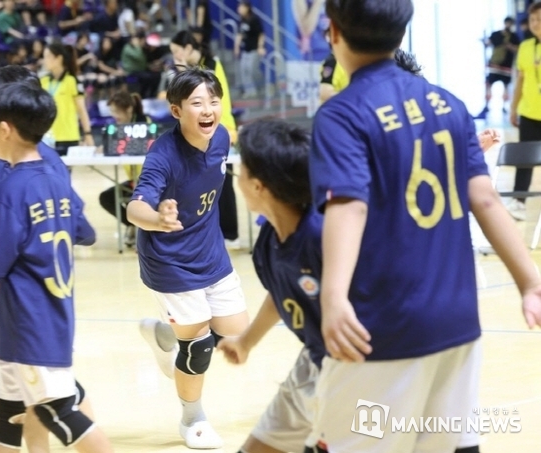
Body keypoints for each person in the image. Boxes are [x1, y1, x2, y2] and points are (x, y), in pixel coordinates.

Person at [310, 1, 541, 452]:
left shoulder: (342, 114)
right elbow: (485, 198)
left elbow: (349, 208)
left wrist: (333, 298)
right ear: (403, 32)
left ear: (334, 32)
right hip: (457, 320)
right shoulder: (449, 104)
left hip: (383, 321)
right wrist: (530, 282)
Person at [0, 65, 97, 453]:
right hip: (17, 305)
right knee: (10, 409)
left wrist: (8, 250)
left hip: (28, 306)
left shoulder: (37, 171)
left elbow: (74, 228)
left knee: (54, 404)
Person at [127, 67, 249, 450]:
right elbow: (134, 208)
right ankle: (192, 418)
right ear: (177, 111)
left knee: (234, 330)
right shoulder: (163, 155)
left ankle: (165, 335)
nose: (208, 109)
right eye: (197, 103)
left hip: (210, 252)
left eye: (214, 101)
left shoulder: (221, 137)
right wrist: (158, 220)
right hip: (170, 261)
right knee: (198, 347)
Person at [217, 119, 324, 453]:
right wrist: (246, 341)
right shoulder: (269, 240)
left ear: (258, 186)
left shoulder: (323, 237)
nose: (237, 177)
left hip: (356, 373)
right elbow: (283, 292)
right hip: (314, 360)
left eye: (242, 170)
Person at [170, 30, 240, 249]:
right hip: (203, 129)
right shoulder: (194, 67)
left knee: (224, 183)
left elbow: (198, 92)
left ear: (188, 48)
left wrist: (181, 70)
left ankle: (231, 234)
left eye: (176, 51)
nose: (174, 56)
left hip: (221, 129)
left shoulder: (209, 65)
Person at [98, 91, 147, 248]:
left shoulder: (145, 124)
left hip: (151, 182)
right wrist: (105, 146)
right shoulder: (118, 127)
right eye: (112, 111)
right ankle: (132, 224)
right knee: (106, 197)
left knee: (141, 199)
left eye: (117, 111)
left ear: (129, 109)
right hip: (133, 181)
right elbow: (114, 146)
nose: (114, 115)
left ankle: (145, 233)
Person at [508, 3, 541, 222]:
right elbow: (520, 80)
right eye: (533, 20)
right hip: (529, 113)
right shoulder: (526, 46)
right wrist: (514, 107)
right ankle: (518, 201)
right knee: (525, 160)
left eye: (540, 19)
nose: (536, 24)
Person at [40, 41, 94, 156]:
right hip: (46, 139)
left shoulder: (72, 81)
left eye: (47, 56)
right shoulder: (43, 81)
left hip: (68, 138)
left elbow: (82, 110)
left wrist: (88, 134)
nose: (44, 60)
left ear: (58, 58)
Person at [476, 16, 520, 119]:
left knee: (506, 86)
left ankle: (504, 106)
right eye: (507, 23)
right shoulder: (496, 34)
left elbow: (518, 49)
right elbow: (488, 43)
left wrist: (510, 46)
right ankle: (487, 105)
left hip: (507, 66)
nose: (508, 25)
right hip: (494, 65)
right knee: (489, 85)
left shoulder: (514, 37)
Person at [234, 0, 265, 98]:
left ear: (247, 8)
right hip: (245, 49)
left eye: (241, 7)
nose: (239, 9)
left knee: (252, 70)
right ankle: (249, 91)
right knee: (244, 70)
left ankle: (260, 87)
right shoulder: (242, 20)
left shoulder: (254, 19)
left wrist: (260, 46)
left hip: (254, 49)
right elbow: (239, 34)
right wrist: (236, 47)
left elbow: (261, 34)